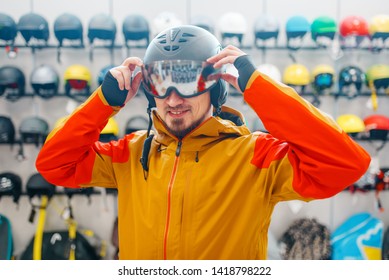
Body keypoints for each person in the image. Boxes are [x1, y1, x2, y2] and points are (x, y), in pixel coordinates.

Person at [35, 25, 370, 260]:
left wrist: (257, 86)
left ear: (214, 87)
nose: (172, 98)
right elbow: (54, 165)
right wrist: (102, 103)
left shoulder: (255, 155)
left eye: (187, 81)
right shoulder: (132, 153)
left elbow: (345, 163)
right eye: (160, 83)